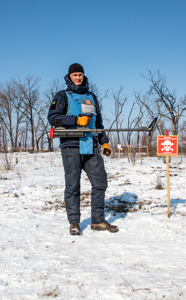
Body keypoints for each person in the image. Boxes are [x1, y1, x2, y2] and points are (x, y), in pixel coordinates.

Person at [47, 63, 119, 235]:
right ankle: (74, 223)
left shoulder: (91, 97)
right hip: (71, 147)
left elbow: (98, 123)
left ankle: (98, 220)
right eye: (75, 75)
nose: (78, 77)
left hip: (91, 145)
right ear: (69, 77)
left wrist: (104, 142)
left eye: (80, 74)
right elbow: (53, 117)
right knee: (73, 186)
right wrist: (76, 121)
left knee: (100, 182)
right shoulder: (62, 96)